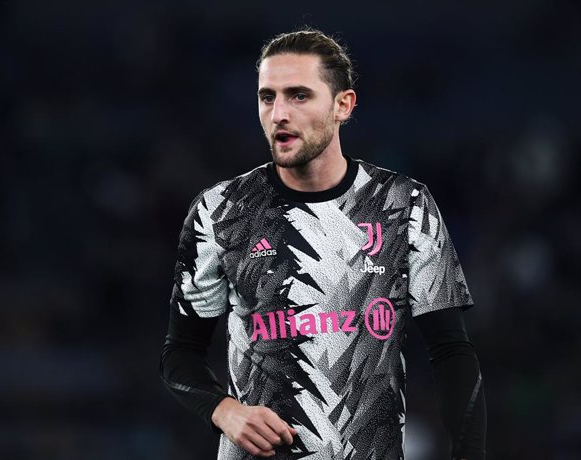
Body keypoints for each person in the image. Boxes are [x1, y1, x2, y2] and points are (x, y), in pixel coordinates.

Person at [160, 28, 486, 460]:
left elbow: (450, 352)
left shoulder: (403, 205)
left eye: (298, 95)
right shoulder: (220, 211)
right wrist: (224, 410)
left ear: (342, 105)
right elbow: (180, 355)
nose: (279, 113)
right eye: (267, 97)